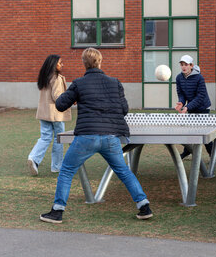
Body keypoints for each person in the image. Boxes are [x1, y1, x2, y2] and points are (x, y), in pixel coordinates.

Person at [40, 48, 152, 223]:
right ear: (100, 62)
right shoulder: (115, 83)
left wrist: (75, 97)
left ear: (84, 63)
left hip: (86, 136)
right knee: (123, 171)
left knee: (67, 170)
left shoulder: (79, 83)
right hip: (110, 137)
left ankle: (57, 211)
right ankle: (144, 206)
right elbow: (124, 109)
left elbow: (61, 104)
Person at [27, 54, 71, 176]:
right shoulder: (56, 78)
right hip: (56, 114)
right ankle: (57, 166)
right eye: (60, 63)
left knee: (45, 137)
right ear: (54, 64)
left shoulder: (44, 77)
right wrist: (70, 100)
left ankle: (34, 158)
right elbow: (57, 96)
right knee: (59, 139)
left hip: (44, 113)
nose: (62, 65)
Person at [174, 54, 216, 163]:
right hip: (191, 107)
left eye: (186, 65)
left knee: (203, 133)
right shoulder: (179, 77)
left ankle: (214, 156)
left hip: (203, 107)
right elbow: (181, 94)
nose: (183, 67)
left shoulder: (199, 78)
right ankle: (187, 151)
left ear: (191, 65)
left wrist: (187, 107)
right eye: (182, 64)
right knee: (190, 131)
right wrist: (181, 102)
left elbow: (200, 96)